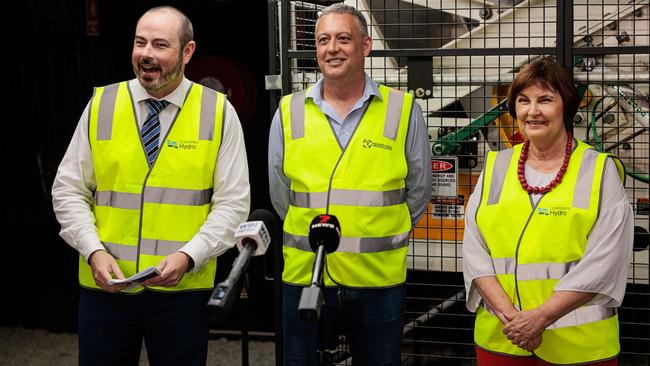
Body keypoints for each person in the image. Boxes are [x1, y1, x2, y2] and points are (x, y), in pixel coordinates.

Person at [51, 6, 250, 366]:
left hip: (183, 293)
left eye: (160, 45)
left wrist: (189, 257)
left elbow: (233, 205)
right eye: (140, 42)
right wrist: (93, 251)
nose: (146, 53)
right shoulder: (101, 105)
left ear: (187, 52)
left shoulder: (219, 113)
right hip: (105, 289)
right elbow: (68, 190)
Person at [268, 4, 431, 365]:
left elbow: (419, 191)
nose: (332, 48)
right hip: (304, 277)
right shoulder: (288, 110)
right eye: (323, 40)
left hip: (377, 280)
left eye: (344, 38)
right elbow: (280, 192)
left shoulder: (402, 109)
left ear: (366, 46)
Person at [462, 58, 633, 365]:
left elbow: (606, 261)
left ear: (565, 106)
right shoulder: (495, 167)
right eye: (523, 101)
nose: (533, 111)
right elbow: (476, 250)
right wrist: (513, 320)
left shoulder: (599, 171)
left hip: (579, 347)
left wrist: (539, 318)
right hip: (501, 339)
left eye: (545, 100)